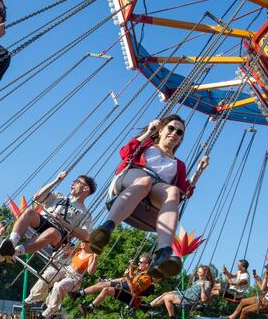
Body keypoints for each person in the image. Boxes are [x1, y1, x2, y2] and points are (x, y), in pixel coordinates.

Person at [88, 116, 209, 281]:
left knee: (172, 191)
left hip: (155, 191)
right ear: (161, 130)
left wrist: (199, 172)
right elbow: (125, 153)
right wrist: (148, 132)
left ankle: (163, 253)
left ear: (180, 139)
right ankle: (106, 228)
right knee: (145, 181)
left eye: (179, 132)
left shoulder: (178, 165)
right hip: (132, 178)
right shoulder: (147, 145)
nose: (174, 133)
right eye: (171, 128)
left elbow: (183, 193)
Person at [0, 172, 96, 263]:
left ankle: (15, 252)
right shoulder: (58, 196)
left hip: (60, 234)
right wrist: (56, 181)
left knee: (52, 231)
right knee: (29, 211)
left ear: (86, 188)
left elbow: (84, 234)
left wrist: (63, 222)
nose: (73, 183)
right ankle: (11, 243)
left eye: (77, 182)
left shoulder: (85, 214)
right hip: (44, 220)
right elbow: (37, 198)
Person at [25, 241, 98, 318]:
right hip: (67, 269)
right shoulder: (78, 250)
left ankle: (51, 308)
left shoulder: (91, 256)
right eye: (82, 241)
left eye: (85, 242)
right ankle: (35, 295)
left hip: (75, 277)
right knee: (48, 274)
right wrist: (64, 244)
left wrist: (95, 259)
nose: (82, 243)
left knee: (58, 286)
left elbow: (90, 272)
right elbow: (66, 249)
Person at [73, 253, 154, 315]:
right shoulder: (138, 270)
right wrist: (109, 280)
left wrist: (128, 278)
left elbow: (133, 290)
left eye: (140, 262)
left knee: (106, 290)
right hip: (124, 287)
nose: (138, 263)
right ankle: (77, 294)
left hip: (129, 296)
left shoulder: (147, 277)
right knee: (102, 284)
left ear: (147, 264)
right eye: (139, 262)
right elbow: (124, 279)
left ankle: (88, 308)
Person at [150, 265, 214, 319]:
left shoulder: (207, 283)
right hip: (185, 294)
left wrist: (202, 288)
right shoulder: (198, 281)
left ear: (204, 273)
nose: (198, 273)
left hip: (189, 300)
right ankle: (149, 305)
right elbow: (193, 288)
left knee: (167, 297)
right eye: (198, 272)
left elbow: (203, 299)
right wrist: (194, 277)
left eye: (199, 272)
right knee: (165, 294)